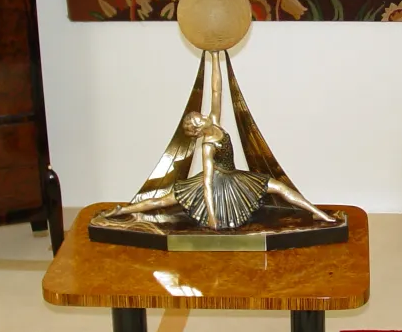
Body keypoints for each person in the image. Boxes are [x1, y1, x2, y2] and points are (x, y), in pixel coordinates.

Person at [102, 51, 334, 229]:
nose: (202, 116)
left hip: (233, 175)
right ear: (198, 130)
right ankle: (122, 210)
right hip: (218, 184)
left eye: (198, 115)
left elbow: (216, 91)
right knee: (163, 201)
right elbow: (207, 183)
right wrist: (212, 216)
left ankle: (319, 214)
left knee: (280, 187)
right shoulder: (207, 146)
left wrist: (215, 55)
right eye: (197, 120)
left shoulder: (213, 120)